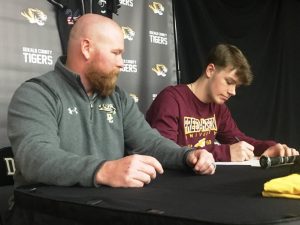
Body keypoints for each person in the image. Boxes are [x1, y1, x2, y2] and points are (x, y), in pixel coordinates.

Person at [7, 14, 216, 189]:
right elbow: (35, 157)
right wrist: (104, 170)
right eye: (116, 53)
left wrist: (187, 155)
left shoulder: (118, 98)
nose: (122, 63)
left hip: (102, 207)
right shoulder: (37, 93)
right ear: (87, 48)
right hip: (45, 210)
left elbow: (149, 143)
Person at [146, 43, 299, 162]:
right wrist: (226, 152)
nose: (233, 92)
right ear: (210, 70)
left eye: (236, 86)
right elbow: (164, 152)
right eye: (229, 82)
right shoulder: (171, 99)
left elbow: (239, 140)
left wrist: (271, 147)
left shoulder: (219, 108)